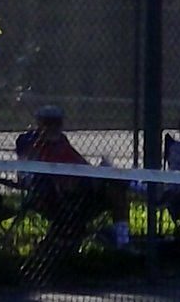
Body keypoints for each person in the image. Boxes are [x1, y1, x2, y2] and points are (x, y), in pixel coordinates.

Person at [15, 104, 133, 248]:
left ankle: (122, 241)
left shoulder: (61, 141)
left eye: (57, 123)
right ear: (39, 123)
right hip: (53, 196)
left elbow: (81, 163)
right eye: (48, 123)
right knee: (111, 182)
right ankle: (140, 185)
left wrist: (94, 173)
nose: (53, 127)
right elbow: (28, 174)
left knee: (115, 190)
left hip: (80, 189)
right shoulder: (30, 142)